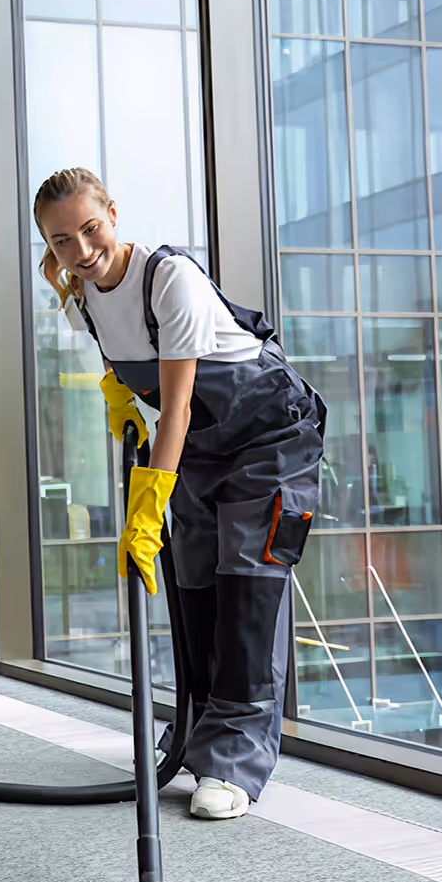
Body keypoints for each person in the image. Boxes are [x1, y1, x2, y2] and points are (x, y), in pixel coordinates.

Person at [34, 169, 325, 820]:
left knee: (248, 585)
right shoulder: (82, 294)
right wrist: (116, 395)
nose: (80, 250)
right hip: (195, 446)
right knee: (195, 585)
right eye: (61, 241)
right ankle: (196, 739)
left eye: (90, 228)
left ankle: (238, 761)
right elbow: (123, 366)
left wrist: (143, 511)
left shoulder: (170, 279)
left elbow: (181, 403)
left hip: (268, 436)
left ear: (113, 212)